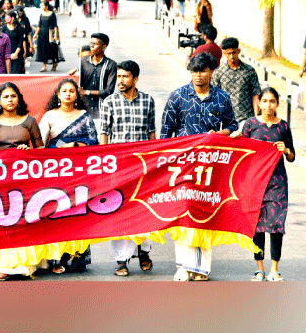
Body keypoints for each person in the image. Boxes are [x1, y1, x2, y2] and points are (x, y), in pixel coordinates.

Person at [161, 52, 238, 281]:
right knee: (184, 212)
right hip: (183, 165)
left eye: (202, 71)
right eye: (194, 71)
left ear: (211, 72)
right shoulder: (178, 96)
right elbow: (166, 132)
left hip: (210, 165)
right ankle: (184, 266)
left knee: (205, 213)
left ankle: (201, 268)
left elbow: (232, 126)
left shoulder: (222, 98)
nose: (198, 75)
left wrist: (218, 135)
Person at [98, 61, 157, 277]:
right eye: (119, 76)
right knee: (120, 210)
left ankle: (144, 251)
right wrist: (104, 163)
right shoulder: (110, 102)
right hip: (119, 166)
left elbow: (151, 133)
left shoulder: (148, 101)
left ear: (135, 79)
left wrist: (154, 162)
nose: (120, 81)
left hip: (142, 166)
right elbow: (104, 132)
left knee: (144, 209)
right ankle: (121, 259)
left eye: (125, 77)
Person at [0, 82, 44, 280]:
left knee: (24, 221)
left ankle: (25, 265)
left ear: (19, 98)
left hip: (25, 179)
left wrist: (29, 152)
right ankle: (2, 266)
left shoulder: (29, 121)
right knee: (3, 221)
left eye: (13, 96)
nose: (10, 100)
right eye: (6, 97)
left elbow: (41, 150)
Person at [39, 78, 97, 273]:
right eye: (64, 91)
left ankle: (77, 258)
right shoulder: (49, 116)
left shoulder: (84, 116)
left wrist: (75, 146)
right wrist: (63, 147)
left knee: (79, 213)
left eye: (72, 91)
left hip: (80, 173)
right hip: (56, 173)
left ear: (76, 95)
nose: (68, 94)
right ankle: (56, 260)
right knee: (58, 213)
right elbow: (40, 148)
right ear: (58, 94)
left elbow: (94, 143)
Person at [242, 87, 295, 282]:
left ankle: (275, 269)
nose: (268, 105)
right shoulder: (250, 125)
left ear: (277, 104)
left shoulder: (283, 127)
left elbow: (292, 157)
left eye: (272, 101)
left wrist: (286, 150)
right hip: (255, 182)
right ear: (259, 103)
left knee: (276, 225)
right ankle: (260, 268)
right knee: (256, 226)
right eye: (264, 101)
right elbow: (242, 153)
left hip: (277, 182)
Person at [212, 37, 261, 127]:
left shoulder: (249, 71)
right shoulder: (219, 72)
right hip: (226, 120)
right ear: (224, 53)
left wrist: (256, 118)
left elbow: (255, 94)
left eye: (234, 53)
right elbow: (214, 96)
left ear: (238, 51)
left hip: (246, 119)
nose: (231, 56)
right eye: (228, 53)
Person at [77, 33, 117, 119]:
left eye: (95, 44)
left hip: (102, 109)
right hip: (85, 108)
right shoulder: (83, 62)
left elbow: (109, 91)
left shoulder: (111, 65)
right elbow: (79, 82)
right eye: (91, 43)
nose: (91, 46)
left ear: (103, 47)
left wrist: (86, 92)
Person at [33, 1, 62, 72]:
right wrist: (36, 34)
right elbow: (39, 26)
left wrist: (56, 36)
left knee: (51, 49)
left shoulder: (52, 14)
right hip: (42, 35)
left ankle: (54, 63)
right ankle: (44, 66)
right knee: (43, 49)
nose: (41, 7)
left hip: (49, 34)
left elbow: (55, 26)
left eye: (42, 6)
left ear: (46, 6)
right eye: (41, 6)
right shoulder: (41, 14)